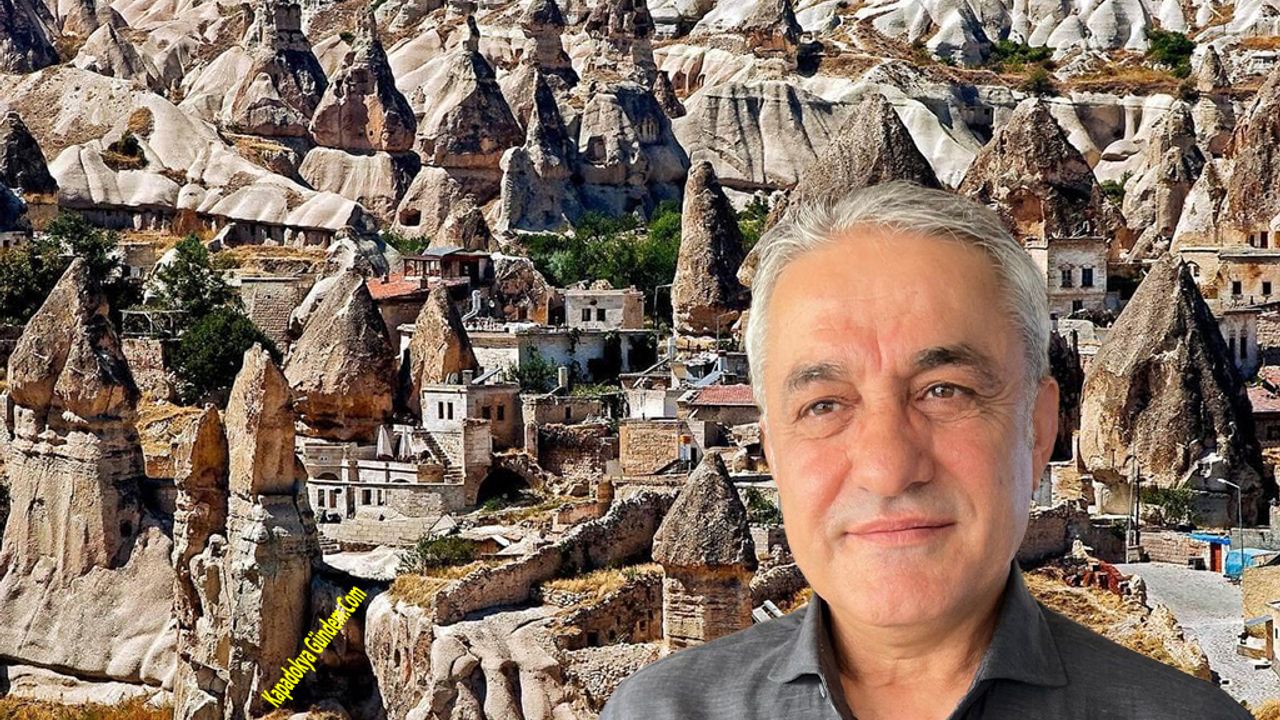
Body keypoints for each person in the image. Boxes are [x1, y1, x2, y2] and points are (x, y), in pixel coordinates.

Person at [599, 182, 1251, 719]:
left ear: (1038, 427)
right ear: (771, 451)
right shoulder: (658, 713)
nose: (887, 468)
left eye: (945, 392)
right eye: (824, 405)